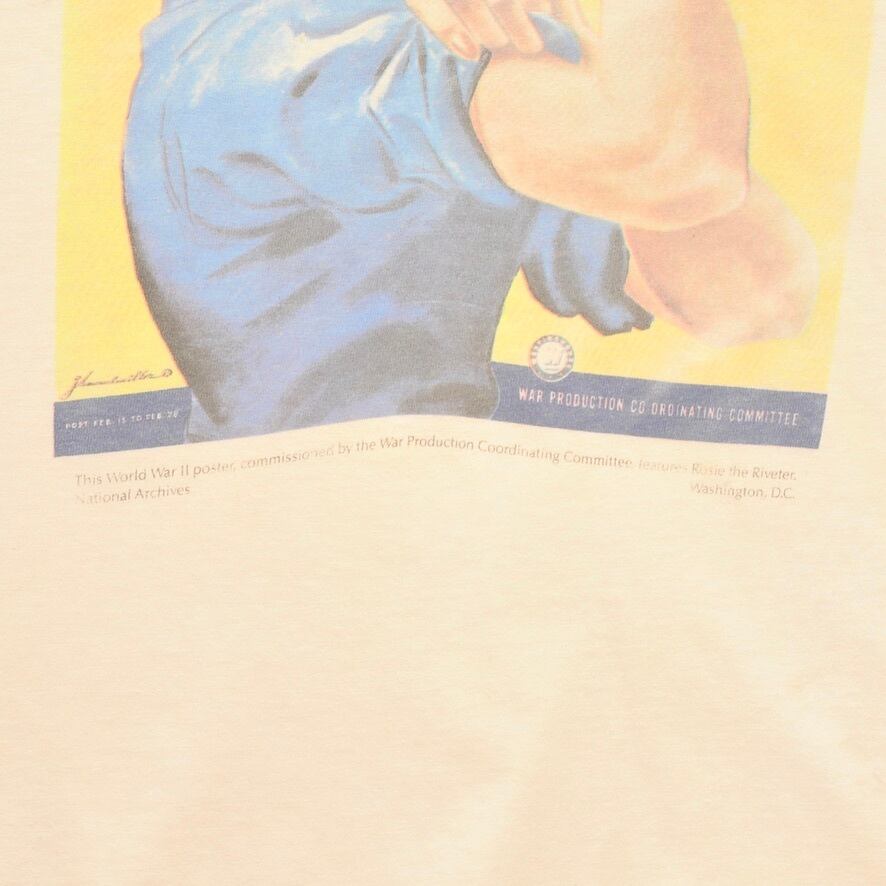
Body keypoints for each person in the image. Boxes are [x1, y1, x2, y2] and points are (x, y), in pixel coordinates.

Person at [123, 0, 818, 442]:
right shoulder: (281, 49)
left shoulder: (420, 34)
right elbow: (672, 158)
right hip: (332, 546)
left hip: (444, 527)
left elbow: (753, 294)